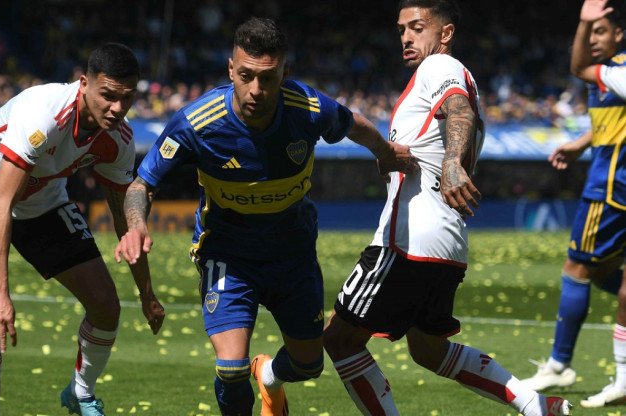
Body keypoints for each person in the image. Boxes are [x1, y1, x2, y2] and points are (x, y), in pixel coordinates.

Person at [113, 17, 417, 416]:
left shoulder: (307, 107)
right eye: (246, 76)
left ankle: (269, 373)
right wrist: (136, 226)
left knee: (309, 364)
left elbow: (351, 124)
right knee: (230, 367)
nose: (256, 89)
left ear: (284, 74)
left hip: (293, 254)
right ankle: (246, 374)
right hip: (229, 254)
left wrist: (384, 151)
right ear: (230, 70)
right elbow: (141, 185)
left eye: (268, 78)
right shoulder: (196, 123)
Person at [322, 1, 573, 415]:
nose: (405, 36)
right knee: (428, 350)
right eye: (401, 28)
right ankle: (536, 406)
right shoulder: (450, 76)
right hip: (446, 245)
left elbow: (459, 110)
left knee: (339, 340)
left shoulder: (439, 69)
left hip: (406, 240)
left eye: (417, 27)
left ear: (445, 33)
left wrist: (453, 163)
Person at [0, 42, 165, 416]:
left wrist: (146, 293)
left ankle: (80, 393)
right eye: (107, 96)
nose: (116, 108)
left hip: (43, 203)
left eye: (126, 99)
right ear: (84, 84)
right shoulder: (44, 115)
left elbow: (125, 220)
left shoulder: (119, 139)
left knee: (106, 306)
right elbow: (1, 203)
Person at [521, 0, 626, 397]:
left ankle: (560, 365)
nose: (593, 39)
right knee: (608, 275)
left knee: (578, 267)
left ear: (619, 33)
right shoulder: (612, 77)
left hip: (611, 189)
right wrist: (583, 142)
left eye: (601, 31)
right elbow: (615, 124)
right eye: (591, 31)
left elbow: (578, 65)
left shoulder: (615, 71)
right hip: (612, 179)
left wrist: (583, 22)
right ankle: (620, 378)